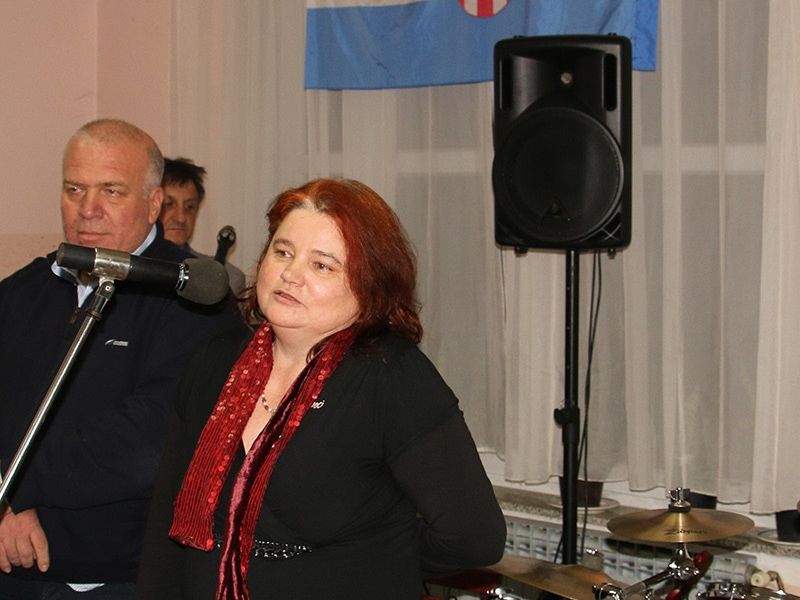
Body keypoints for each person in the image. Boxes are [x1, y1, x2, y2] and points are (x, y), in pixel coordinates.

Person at [136, 178, 506, 599]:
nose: (291, 274)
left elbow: (475, 537)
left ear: (368, 286)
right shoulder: (214, 360)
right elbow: (165, 529)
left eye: (322, 265)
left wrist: (375, 559)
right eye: (283, 252)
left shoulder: (392, 375)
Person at [0, 119, 239, 599]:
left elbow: (148, 441)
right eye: (74, 189)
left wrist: (14, 487)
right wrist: (7, 507)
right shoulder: (23, 291)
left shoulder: (193, 297)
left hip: (122, 575)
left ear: (153, 204)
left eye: (111, 191)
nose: (87, 209)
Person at [160, 157, 247, 294]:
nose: (181, 218)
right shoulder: (127, 267)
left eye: (190, 207)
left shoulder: (229, 277)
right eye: (168, 204)